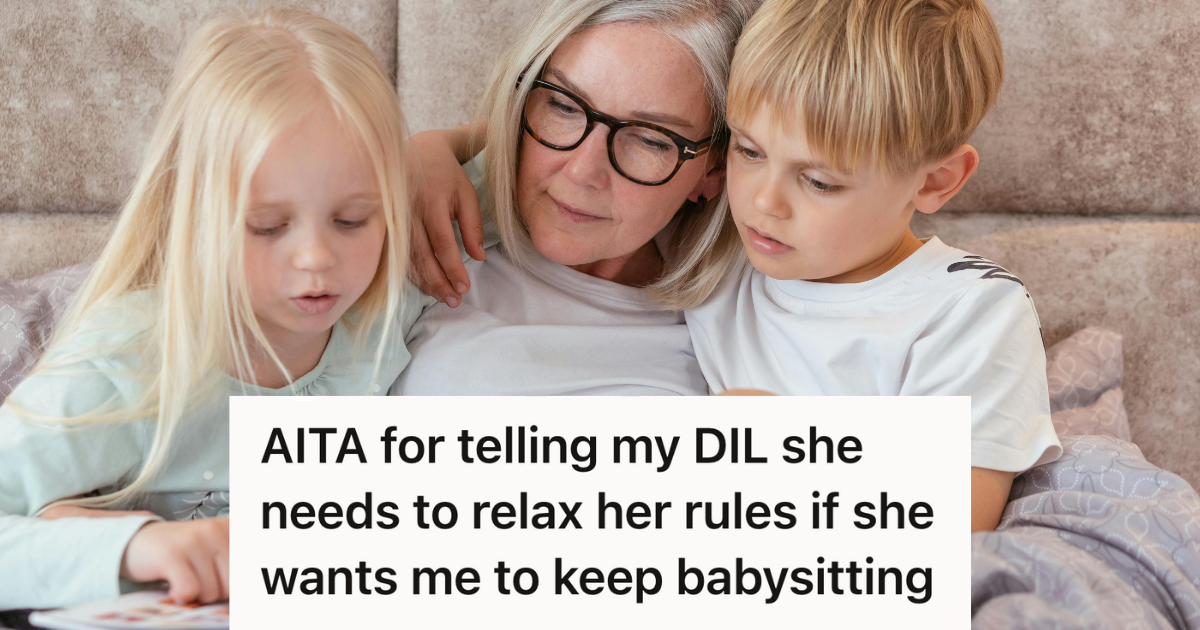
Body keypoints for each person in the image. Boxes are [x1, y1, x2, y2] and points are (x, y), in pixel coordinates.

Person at [0, 10, 417, 609]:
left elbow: (516, 167)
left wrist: (443, 149)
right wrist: (131, 548)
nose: (317, 258)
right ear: (193, 212)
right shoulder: (129, 361)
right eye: (267, 226)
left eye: (352, 219)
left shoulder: (384, 311)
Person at [682, 0, 1061, 531]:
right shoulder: (717, 254)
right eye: (748, 151)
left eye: (819, 182)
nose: (763, 202)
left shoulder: (971, 312)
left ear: (935, 181)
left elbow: (959, 520)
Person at [392, 0, 757, 395]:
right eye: (564, 106)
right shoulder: (432, 231)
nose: (582, 172)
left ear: (714, 171)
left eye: (651, 140)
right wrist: (426, 149)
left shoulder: (740, 327)